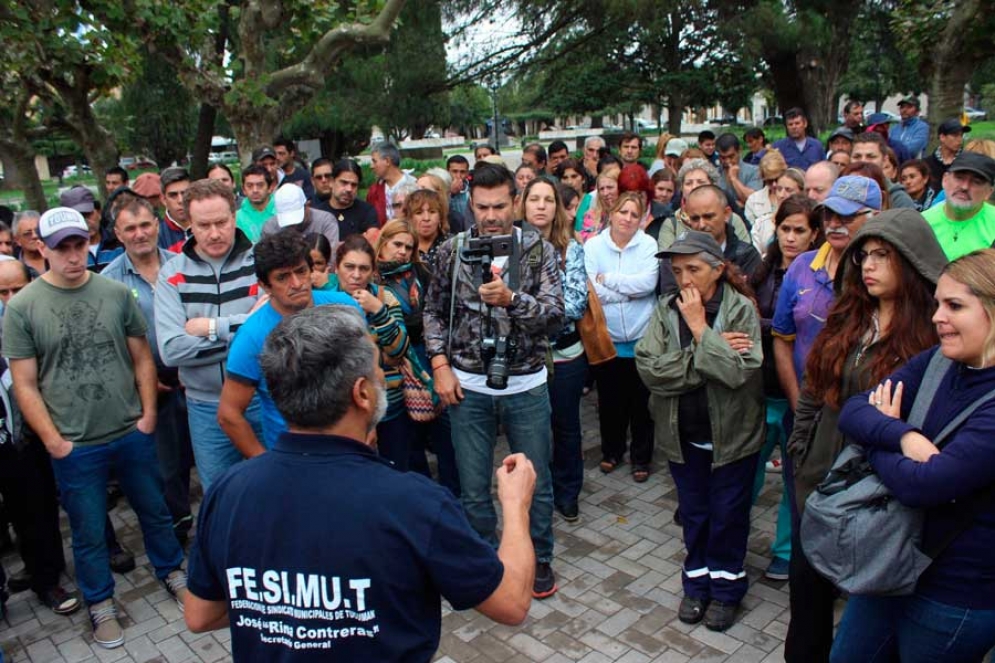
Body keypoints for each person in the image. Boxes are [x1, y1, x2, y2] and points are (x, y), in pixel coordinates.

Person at [184, 305, 537, 661]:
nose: (381, 376)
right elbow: (510, 602)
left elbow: (201, 614)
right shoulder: (414, 503)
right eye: (377, 368)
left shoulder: (229, 491)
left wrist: (288, 607)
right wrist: (515, 505)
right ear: (362, 393)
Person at [4, 207, 188, 649]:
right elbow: (24, 383)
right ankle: (100, 601)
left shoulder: (115, 292)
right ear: (42, 248)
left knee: (155, 511)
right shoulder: (24, 307)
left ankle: (172, 571)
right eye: (62, 248)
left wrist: (147, 414)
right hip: (75, 443)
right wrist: (54, 441)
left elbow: (141, 357)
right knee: (87, 531)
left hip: (130, 431)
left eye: (79, 244)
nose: (72, 255)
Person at [784, 207, 947, 662]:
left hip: (881, 493)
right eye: (864, 255)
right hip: (819, 476)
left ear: (911, 260)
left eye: (882, 255)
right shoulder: (849, 315)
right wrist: (800, 450)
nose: (868, 265)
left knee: (869, 607)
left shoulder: (934, 336)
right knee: (807, 596)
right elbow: (814, 387)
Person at [829, 249, 995, 663]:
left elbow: (926, 485)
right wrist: (903, 437)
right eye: (938, 304)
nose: (937, 317)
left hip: (955, 592)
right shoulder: (939, 362)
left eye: (955, 306)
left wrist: (876, 442)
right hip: (892, 563)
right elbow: (854, 411)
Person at [422, 162, 565, 600]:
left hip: (526, 385)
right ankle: (485, 558)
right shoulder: (452, 250)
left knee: (536, 481)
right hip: (467, 386)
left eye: (499, 206)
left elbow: (555, 318)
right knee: (473, 487)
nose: (490, 216)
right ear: (470, 204)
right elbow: (432, 312)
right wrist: (440, 364)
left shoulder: (538, 250)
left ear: (515, 203)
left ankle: (538, 556)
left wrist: (512, 299)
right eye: (482, 207)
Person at [636, 230, 763, 633]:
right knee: (695, 514)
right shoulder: (665, 309)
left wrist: (699, 328)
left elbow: (738, 372)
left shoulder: (740, 309)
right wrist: (705, 350)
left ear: (718, 270)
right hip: (683, 436)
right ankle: (697, 584)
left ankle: (726, 591)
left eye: (693, 269)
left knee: (728, 516)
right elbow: (651, 370)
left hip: (733, 438)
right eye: (677, 271)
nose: (684, 279)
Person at [155, 179, 264, 490]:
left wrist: (211, 327)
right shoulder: (172, 273)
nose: (214, 233)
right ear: (189, 224)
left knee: (274, 490)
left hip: (262, 397)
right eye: (203, 225)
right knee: (220, 493)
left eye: (221, 222)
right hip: (206, 408)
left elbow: (274, 331)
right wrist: (244, 329)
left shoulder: (261, 262)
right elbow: (172, 351)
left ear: (234, 216)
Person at [101, 198, 194, 545]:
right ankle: (178, 529)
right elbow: (111, 342)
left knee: (203, 454)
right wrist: (143, 379)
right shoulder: (109, 282)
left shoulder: (184, 265)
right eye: (130, 228)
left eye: (144, 225)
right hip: (151, 386)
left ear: (157, 225)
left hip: (193, 376)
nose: (139, 234)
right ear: (118, 234)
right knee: (166, 466)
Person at [219, 230, 358, 456]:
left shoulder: (345, 308)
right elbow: (229, 414)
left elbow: (370, 370)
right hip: (295, 459)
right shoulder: (252, 336)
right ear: (265, 286)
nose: (296, 283)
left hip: (353, 450)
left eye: (301, 271)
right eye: (282, 277)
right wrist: (267, 464)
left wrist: (370, 427)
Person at [0, 259, 81, 617]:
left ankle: (46, 579)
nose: (10, 299)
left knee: (35, 511)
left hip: (25, 439)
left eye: (17, 289)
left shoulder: (40, 315)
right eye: (2, 292)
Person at [748, 195, 822, 581]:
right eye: (785, 229)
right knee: (748, 474)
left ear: (814, 234)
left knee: (795, 481)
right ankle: (733, 538)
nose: (791, 238)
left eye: (800, 230)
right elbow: (744, 321)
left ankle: (785, 551)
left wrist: (767, 327)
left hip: (800, 394)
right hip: (760, 391)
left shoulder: (820, 277)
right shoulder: (761, 272)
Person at [772, 176, 883, 419]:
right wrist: (797, 404)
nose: (834, 224)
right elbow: (782, 340)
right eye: (828, 215)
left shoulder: (881, 275)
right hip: (804, 406)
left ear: (874, 217)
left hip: (857, 411)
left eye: (846, 217)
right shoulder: (802, 265)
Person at [374, 221, 460, 495]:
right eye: (396, 244)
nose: (402, 252)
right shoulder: (373, 279)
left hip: (428, 357)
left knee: (444, 432)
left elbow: (437, 312)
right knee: (409, 439)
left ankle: (452, 493)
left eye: (408, 247)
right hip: (395, 368)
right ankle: (422, 495)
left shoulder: (421, 273)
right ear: (382, 244)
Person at [521, 178, 588, 521]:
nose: (541, 205)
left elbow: (575, 304)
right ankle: (534, 492)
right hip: (525, 356)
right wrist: (544, 306)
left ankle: (568, 491)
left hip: (565, 355)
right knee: (530, 431)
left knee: (566, 427)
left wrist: (524, 306)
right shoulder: (510, 247)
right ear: (523, 204)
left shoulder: (570, 249)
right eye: (534, 198)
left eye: (548, 199)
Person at [584, 192, 659, 481]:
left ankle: (641, 458)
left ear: (641, 219)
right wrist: (628, 294)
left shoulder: (648, 244)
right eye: (622, 212)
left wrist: (610, 280)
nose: (627, 218)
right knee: (610, 402)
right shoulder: (594, 246)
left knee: (642, 405)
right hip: (608, 339)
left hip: (642, 337)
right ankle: (611, 452)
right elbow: (592, 289)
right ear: (611, 213)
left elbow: (648, 284)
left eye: (634, 214)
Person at [326, 236, 412, 469]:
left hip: (390, 406)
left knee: (395, 472)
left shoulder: (384, 297)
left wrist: (378, 310)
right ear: (336, 268)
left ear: (373, 272)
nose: (356, 275)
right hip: (344, 411)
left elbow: (400, 349)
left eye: (363, 269)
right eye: (349, 267)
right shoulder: (325, 300)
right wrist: (380, 357)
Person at [922, 152, 995, 260]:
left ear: (989, 192)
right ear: (945, 180)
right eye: (959, 178)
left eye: (976, 182)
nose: (965, 187)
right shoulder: (923, 222)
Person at [684, 185, 761, 280]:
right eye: (695, 219)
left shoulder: (746, 256)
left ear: (726, 214)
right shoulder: (679, 257)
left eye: (708, 217)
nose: (702, 225)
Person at [260, 183, 340, 257]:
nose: (293, 225)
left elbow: (331, 257)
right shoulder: (270, 227)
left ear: (307, 205)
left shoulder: (325, 221)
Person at [311, 158, 379, 243]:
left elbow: (372, 239)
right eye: (344, 183)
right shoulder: (318, 213)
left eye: (354, 185)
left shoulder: (367, 211)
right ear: (331, 182)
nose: (349, 189)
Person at [59, 186, 123, 271]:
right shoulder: (63, 253)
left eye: (88, 214)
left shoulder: (119, 242)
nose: (85, 221)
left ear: (99, 213)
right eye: (78, 217)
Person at [851, 132, 917, 209]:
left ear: (884, 160)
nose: (863, 161)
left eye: (871, 157)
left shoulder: (899, 200)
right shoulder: (841, 192)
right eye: (857, 157)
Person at [367, 142, 416, 225]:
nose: (371, 166)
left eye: (374, 161)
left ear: (387, 161)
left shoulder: (414, 186)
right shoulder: (374, 191)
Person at [405, 189, 450, 267]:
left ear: (440, 216)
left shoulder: (452, 244)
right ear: (409, 218)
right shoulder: (403, 247)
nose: (426, 218)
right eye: (419, 213)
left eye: (432, 212)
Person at [715, 133, 762, 209]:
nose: (727, 161)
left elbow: (753, 200)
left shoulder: (754, 171)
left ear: (739, 150)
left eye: (731, 156)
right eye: (723, 158)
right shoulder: (714, 173)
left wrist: (734, 179)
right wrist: (735, 204)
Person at [744, 149, 788, 228]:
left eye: (777, 179)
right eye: (770, 181)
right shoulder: (753, 200)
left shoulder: (795, 195)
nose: (774, 185)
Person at [926, 119, 970, 191]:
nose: (960, 139)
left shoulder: (967, 162)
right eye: (955, 135)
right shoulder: (927, 163)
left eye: (961, 135)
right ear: (942, 137)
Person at [234, 164, 275, 243]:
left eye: (260, 185)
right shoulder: (236, 218)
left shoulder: (282, 210)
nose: (255, 190)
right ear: (244, 189)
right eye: (249, 186)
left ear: (270, 188)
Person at [577, 168, 620, 243]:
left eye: (610, 187)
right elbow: (585, 241)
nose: (605, 193)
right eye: (601, 189)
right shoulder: (591, 215)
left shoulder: (629, 214)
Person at [159, 167, 193, 252]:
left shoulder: (208, 226)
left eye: (185, 193)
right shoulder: (157, 235)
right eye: (173, 195)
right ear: (163, 200)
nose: (180, 200)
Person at [12, 211, 46, 276]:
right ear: (17, 240)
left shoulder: (56, 258)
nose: (35, 236)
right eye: (27, 233)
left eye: (38, 231)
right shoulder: (13, 267)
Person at [447, 154, 471, 220]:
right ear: (447, 171)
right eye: (454, 171)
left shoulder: (472, 190)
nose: (458, 176)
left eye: (462, 172)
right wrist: (451, 193)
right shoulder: (441, 189)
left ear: (467, 173)